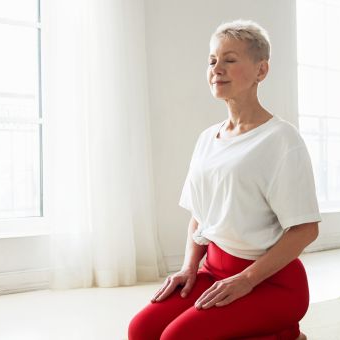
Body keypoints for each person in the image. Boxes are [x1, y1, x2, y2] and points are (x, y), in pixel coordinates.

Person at [128, 20, 322, 340]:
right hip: (212, 272)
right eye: (212, 60)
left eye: (230, 60)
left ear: (261, 71)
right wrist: (189, 268)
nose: (217, 68)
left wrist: (246, 280)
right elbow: (198, 217)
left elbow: (305, 229)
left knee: (175, 338)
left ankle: (284, 332)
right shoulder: (207, 138)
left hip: (270, 281)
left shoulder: (282, 140)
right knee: (141, 331)